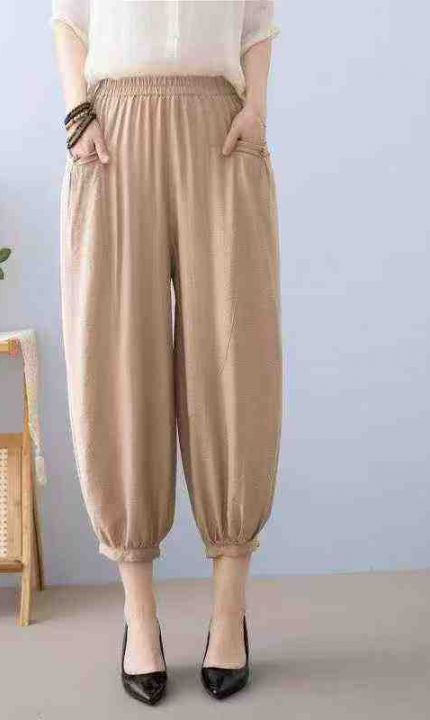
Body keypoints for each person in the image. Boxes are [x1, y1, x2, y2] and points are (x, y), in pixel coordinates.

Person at [52, 0, 282, 705]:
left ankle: (228, 614)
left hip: (221, 127)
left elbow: (257, 23)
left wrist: (256, 109)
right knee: (115, 356)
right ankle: (140, 617)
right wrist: (78, 114)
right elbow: (69, 20)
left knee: (236, 357)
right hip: (114, 131)